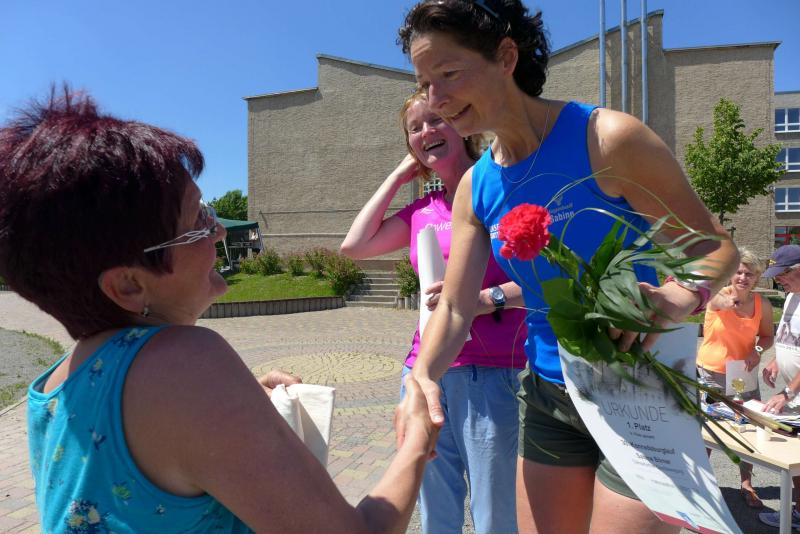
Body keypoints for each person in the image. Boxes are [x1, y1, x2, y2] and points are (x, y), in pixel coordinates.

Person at [0, 88, 439, 534]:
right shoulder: (186, 365)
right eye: (197, 221)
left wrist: (238, 401)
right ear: (128, 285)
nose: (217, 233)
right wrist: (417, 438)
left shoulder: (56, 383)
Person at [395, 1, 739, 533]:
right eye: (425, 84)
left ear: (505, 56)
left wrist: (677, 298)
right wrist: (421, 378)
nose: (435, 98)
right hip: (550, 398)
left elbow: (714, 249)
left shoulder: (607, 139)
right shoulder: (476, 186)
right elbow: (456, 309)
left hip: (640, 391)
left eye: (449, 74)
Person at [340, 90, 526, 534]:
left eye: (436, 119)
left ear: (462, 123)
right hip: (423, 373)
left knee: (495, 513)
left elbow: (550, 276)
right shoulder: (424, 210)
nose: (427, 132)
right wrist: (400, 174)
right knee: (435, 510)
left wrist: (486, 299)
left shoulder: (501, 187)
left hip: (491, 371)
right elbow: (354, 246)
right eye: (414, 129)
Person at [696, 248, 774, 509]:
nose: (743, 277)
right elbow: (714, 300)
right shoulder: (717, 296)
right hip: (712, 372)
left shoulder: (763, 304)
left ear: (757, 277)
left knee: (747, 428)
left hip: (742, 373)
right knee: (708, 429)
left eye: (749, 274)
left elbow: (767, 337)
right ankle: (700, 483)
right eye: (738, 272)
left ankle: (746, 483)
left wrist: (757, 350)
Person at [758, 244, 800, 529]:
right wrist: (775, 361)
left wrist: (788, 392)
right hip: (795, 396)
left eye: (783, 274)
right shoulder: (791, 297)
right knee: (796, 459)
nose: (779, 281)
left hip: (794, 394)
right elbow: (788, 337)